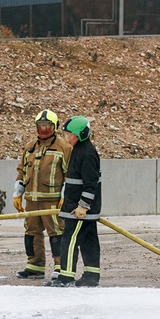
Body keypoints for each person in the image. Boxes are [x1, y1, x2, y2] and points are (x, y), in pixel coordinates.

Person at [13, 109, 73, 280]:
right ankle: (35, 266)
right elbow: (22, 171)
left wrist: (64, 196)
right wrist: (18, 193)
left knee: (56, 233)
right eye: (41, 125)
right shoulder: (30, 147)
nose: (44, 129)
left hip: (52, 201)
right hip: (32, 200)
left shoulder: (64, 148)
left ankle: (61, 267)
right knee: (31, 233)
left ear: (55, 127)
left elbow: (69, 174)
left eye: (48, 125)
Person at [46, 116, 102, 288]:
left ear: (81, 134)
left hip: (78, 209)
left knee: (69, 240)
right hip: (77, 207)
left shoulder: (86, 153)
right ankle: (91, 275)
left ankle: (66, 276)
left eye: (69, 134)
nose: (66, 137)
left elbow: (90, 183)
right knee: (88, 240)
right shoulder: (79, 150)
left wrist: (83, 206)